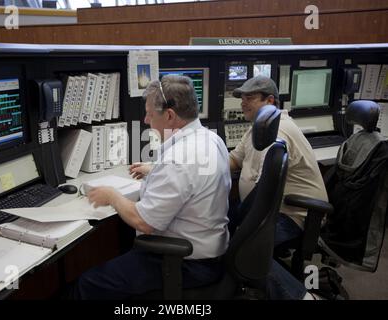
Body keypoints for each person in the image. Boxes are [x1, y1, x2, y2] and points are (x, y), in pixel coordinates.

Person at [68, 75, 231, 299]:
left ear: (170, 115)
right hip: (210, 253)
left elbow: (144, 222)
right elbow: (194, 177)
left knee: (88, 285)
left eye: (150, 114)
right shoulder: (211, 139)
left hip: (185, 264)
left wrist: (112, 196)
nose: (145, 120)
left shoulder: (178, 159)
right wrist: (156, 169)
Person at [229, 75, 328, 299]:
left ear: (270, 101)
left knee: (247, 252)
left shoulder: (278, 131)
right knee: (222, 224)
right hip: (272, 209)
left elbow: (263, 188)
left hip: (295, 215)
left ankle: (304, 297)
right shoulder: (259, 126)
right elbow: (234, 160)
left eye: (250, 98)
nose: (243, 102)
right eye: (242, 98)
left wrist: (242, 227)